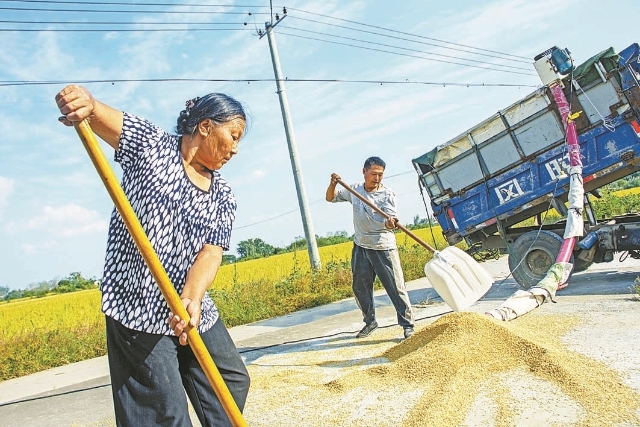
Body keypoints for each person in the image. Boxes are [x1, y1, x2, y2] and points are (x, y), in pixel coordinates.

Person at [55, 85, 250, 427]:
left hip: (190, 308)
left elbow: (211, 251)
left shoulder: (224, 194)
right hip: (139, 305)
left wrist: (192, 297)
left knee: (231, 380)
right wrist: (85, 103)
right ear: (205, 126)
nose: (235, 149)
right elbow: (101, 115)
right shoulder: (154, 146)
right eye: (233, 136)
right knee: (164, 414)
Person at [325, 157, 415, 340]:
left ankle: (407, 325)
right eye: (373, 174)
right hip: (361, 245)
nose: (377, 178)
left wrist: (391, 223)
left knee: (395, 288)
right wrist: (333, 183)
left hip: (383, 246)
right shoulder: (354, 190)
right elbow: (330, 198)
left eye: (380, 175)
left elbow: (391, 221)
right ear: (364, 171)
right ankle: (370, 321)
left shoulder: (387, 194)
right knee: (360, 287)